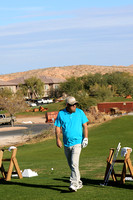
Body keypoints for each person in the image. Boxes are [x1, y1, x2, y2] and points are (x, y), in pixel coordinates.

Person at [54, 96, 89, 192]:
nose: (74, 106)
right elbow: (57, 127)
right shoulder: (61, 114)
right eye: (72, 105)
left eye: (75, 104)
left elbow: (85, 126)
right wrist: (57, 139)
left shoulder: (80, 112)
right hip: (66, 143)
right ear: (67, 105)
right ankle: (79, 183)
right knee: (72, 165)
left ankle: (73, 184)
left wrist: (85, 138)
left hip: (78, 142)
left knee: (74, 164)